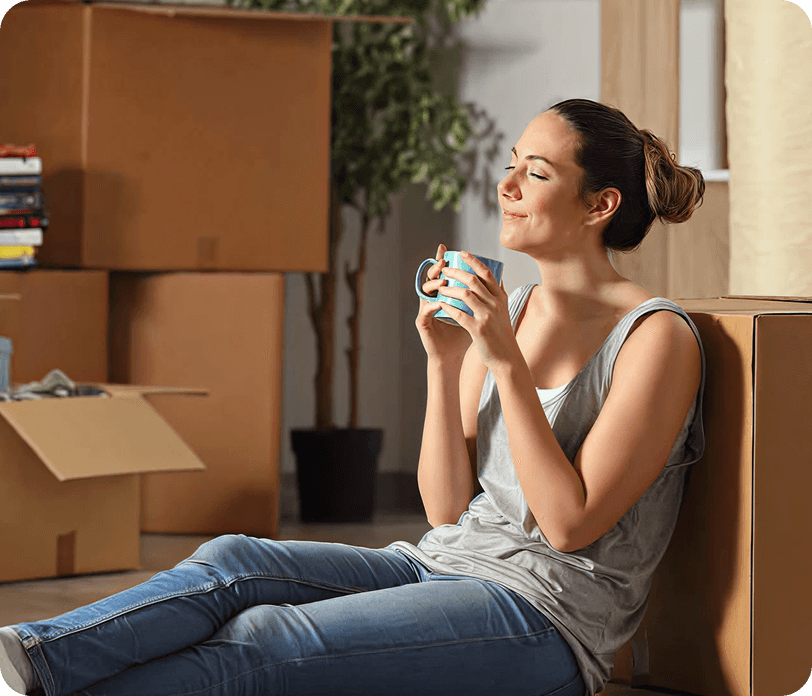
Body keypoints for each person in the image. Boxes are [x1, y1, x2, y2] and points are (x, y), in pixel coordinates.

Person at [0, 98, 706, 696]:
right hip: (444, 563)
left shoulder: (654, 338)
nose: (509, 184)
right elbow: (447, 510)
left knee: (264, 641)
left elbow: (568, 526)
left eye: (538, 171)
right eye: (512, 162)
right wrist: (444, 360)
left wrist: (502, 360)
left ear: (601, 205)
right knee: (234, 561)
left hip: (546, 619)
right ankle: (27, 659)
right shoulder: (513, 309)